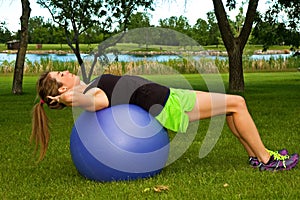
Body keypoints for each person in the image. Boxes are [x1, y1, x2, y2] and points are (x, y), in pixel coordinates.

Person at [31, 70, 299, 171]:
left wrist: (69, 96)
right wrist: (68, 99)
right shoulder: (90, 92)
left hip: (170, 95)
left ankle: (257, 156)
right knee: (237, 104)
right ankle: (266, 160)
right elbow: (98, 103)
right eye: (60, 75)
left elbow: (90, 98)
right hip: (168, 104)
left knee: (232, 107)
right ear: (63, 90)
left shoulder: (88, 86)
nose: (66, 71)